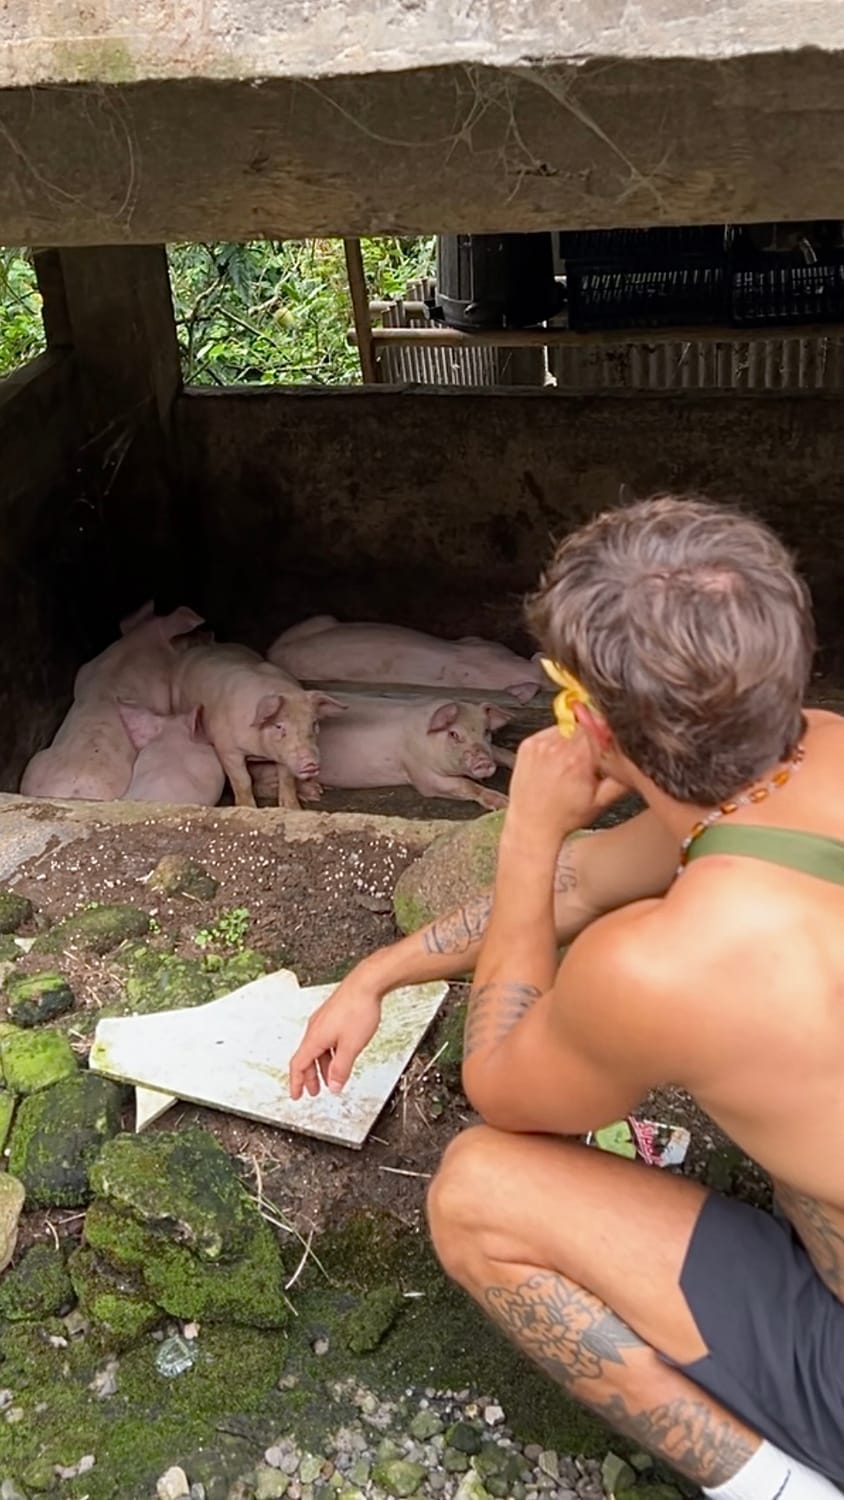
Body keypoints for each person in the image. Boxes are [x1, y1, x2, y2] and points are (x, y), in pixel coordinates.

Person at [290, 494, 844, 1500]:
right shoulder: (819, 755)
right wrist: (375, 975)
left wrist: (527, 832)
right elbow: (587, 882)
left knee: (476, 1193)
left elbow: (502, 1086)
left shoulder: (662, 964)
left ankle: (781, 1488)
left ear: (585, 720)